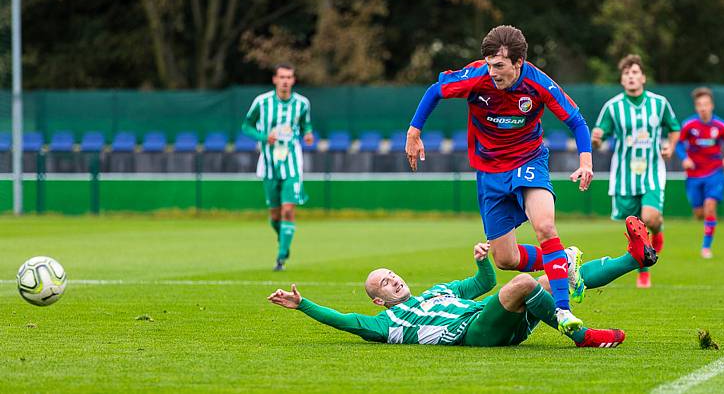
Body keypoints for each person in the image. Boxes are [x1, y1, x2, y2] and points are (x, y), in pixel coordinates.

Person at [404, 25, 594, 334]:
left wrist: (585, 161)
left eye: (500, 66)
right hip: (490, 170)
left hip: (529, 160)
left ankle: (562, 309)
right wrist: (414, 131)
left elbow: (576, 119)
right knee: (506, 258)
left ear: (518, 63)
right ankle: (564, 261)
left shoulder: (538, 83)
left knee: (545, 226)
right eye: (490, 64)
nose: (493, 72)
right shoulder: (476, 75)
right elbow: (435, 91)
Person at [268, 216, 657, 348]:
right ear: (379, 301)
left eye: (390, 275)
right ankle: (578, 332)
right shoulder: (387, 323)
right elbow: (343, 320)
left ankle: (633, 258)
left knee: (548, 274)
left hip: (494, 316)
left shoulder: (439, 290)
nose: (392, 281)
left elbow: (480, 284)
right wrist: (302, 304)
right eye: (383, 284)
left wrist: (482, 262)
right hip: (474, 332)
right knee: (524, 281)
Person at [591, 54, 680, 288]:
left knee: (650, 219)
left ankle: (656, 234)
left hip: (651, 171)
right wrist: (596, 139)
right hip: (624, 176)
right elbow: (600, 137)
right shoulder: (613, 107)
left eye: (635, 72)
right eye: (626, 73)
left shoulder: (659, 103)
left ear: (643, 77)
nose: (631, 77)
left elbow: (674, 128)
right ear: (622, 80)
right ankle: (643, 266)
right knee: (634, 227)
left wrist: (671, 146)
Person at [242, 63, 314, 271]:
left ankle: (281, 257)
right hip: (269, 163)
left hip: (292, 162)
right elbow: (246, 125)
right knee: (275, 215)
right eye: (281, 77)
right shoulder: (261, 102)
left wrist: (308, 133)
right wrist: (264, 137)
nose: (285, 81)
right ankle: (284, 240)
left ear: (293, 80)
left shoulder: (302, 103)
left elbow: (305, 124)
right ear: (275, 79)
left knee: (288, 210)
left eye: (289, 77)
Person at [675, 87, 724, 259]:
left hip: (715, 172)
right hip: (694, 175)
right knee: (699, 213)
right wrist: (684, 157)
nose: (703, 108)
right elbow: (679, 144)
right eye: (699, 104)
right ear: (696, 107)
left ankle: (706, 247)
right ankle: (703, 220)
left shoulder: (721, 126)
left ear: (712, 106)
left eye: (706, 104)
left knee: (710, 207)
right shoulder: (689, 125)